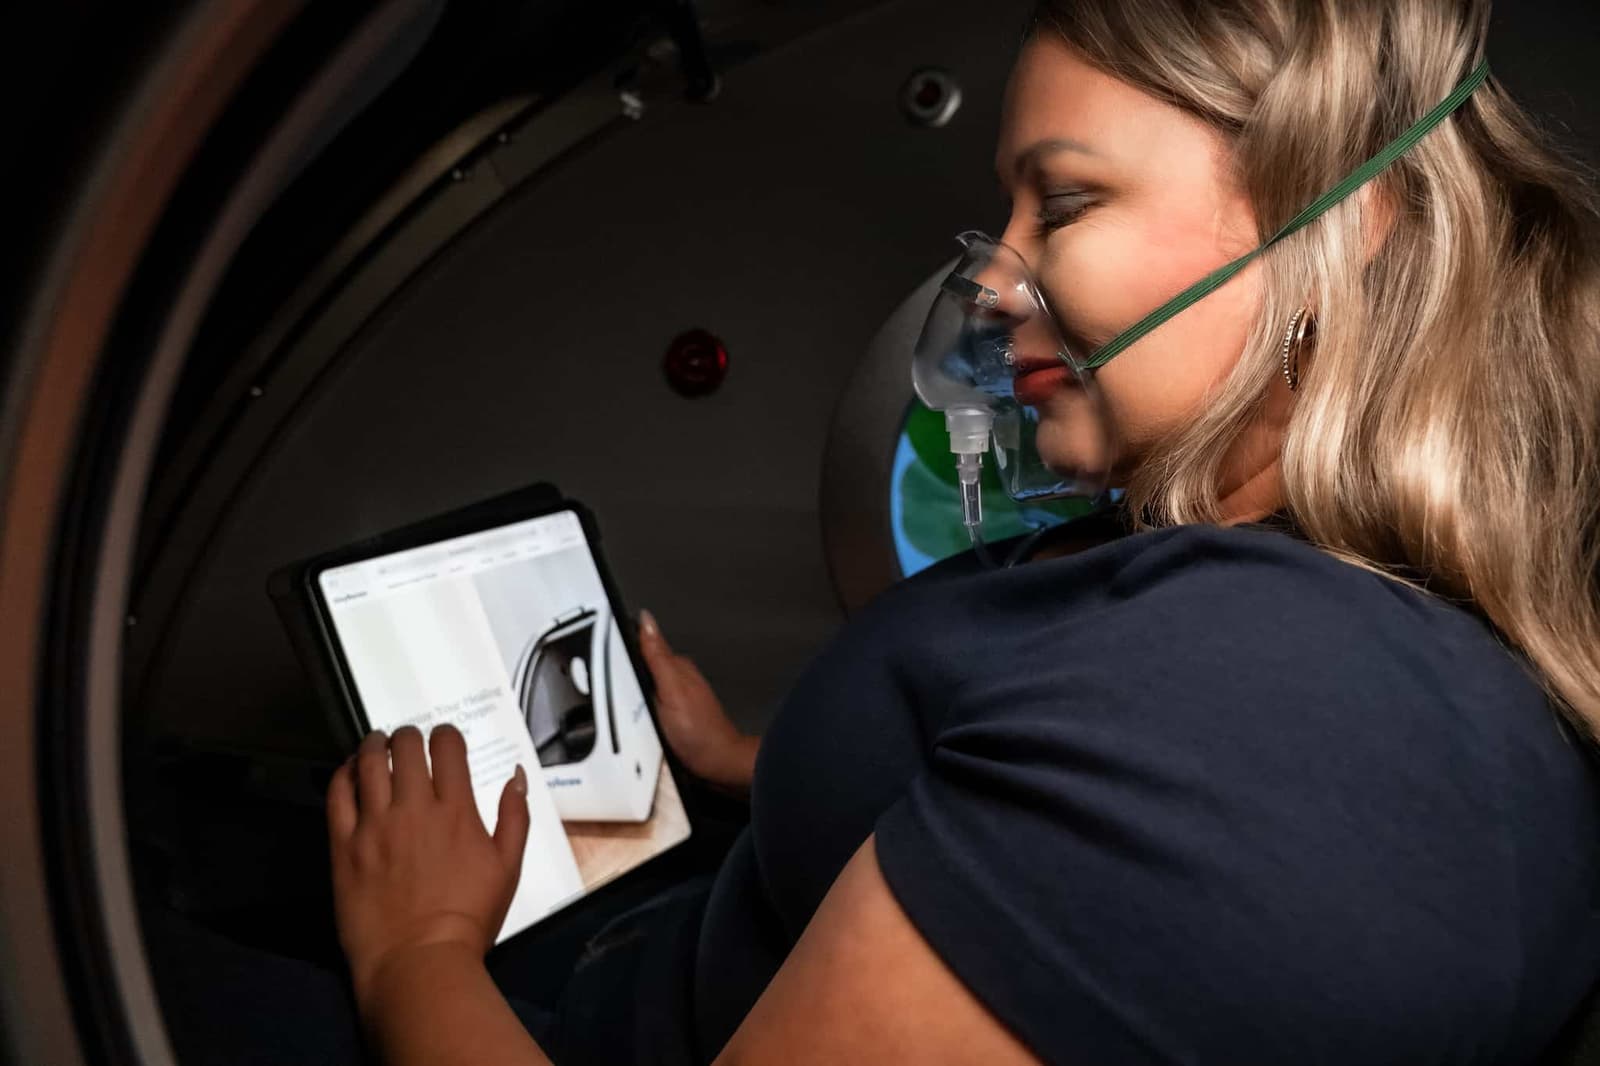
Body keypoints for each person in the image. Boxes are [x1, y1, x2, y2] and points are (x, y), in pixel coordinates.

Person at [322, 1, 1600, 1063]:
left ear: (1335, 232)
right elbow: (1026, 788)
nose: (991, 280)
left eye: (1068, 202)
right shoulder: (1213, 583)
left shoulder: (1282, 719)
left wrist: (415, 953)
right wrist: (741, 762)